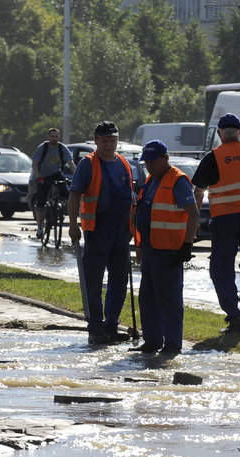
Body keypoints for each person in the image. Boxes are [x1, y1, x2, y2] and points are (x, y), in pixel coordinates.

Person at [192, 113, 240, 333]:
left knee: (222, 267)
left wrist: (195, 219)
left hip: (224, 218)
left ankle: (234, 317)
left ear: (219, 134)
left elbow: (198, 189)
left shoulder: (213, 156)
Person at [67, 121, 135, 345]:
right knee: (93, 282)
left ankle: (111, 326)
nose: (109, 144)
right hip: (97, 230)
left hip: (121, 231)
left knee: (119, 280)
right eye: (104, 141)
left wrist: (131, 228)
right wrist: (73, 225)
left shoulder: (124, 163)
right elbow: (75, 195)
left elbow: (131, 198)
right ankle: (96, 328)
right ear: (96, 141)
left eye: (112, 140)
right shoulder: (88, 164)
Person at [131, 140, 199, 355]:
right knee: (148, 298)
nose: (149, 166)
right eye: (146, 162)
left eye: (153, 162)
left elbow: (194, 213)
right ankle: (152, 341)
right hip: (151, 248)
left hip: (170, 250)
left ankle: (172, 345)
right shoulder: (152, 180)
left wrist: (186, 245)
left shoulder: (178, 181)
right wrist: (139, 245)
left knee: (169, 300)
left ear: (165, 158)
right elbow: (144, 215)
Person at [31, 127, 75, 239]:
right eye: (52, 136)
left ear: (58, 137)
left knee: (66, 192)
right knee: (41, 201)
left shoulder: (62, 148)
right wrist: (38, 177)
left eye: (56, 136)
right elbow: (35, 164)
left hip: (56, 173)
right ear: (48, 137)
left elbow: (71, 164)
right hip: (43, 175)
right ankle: (40, 226)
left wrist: (76, 177)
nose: (54, 138)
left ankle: (59, 211)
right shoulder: (43, 147)